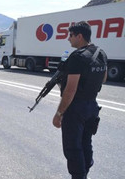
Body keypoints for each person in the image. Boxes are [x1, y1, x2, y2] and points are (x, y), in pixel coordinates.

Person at [53, 21, 107, 179]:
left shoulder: (77, 57)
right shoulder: (101, 52)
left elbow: (70, 90)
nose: (68, 39)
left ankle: (79, 176)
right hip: (92, 106)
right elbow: (103, 79)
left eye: (70, 35)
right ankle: (85, 173)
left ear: (79, 36)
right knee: (86, 142)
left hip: (76, 109)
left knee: (72, 147)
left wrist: (59, 113)